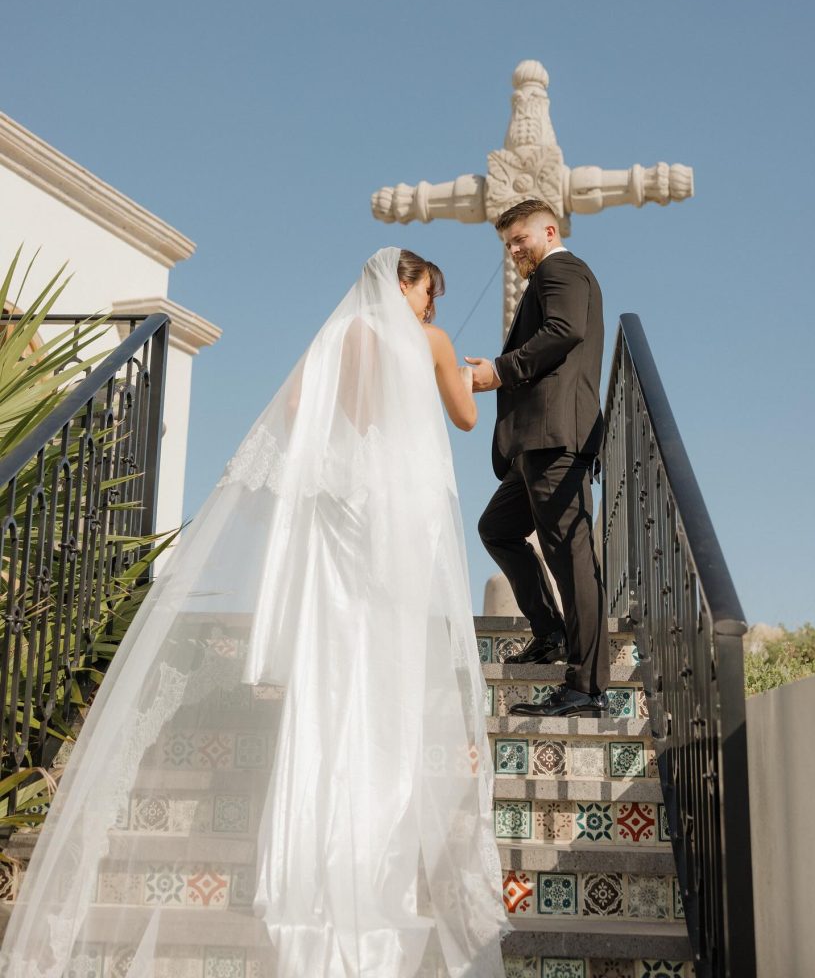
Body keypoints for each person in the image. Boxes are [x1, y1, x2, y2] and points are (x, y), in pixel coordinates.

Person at [0, 247, 508, 978]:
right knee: (382, 658)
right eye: (429, 292)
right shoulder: (425, 341)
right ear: (408, 285)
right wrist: (465, 375)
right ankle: (369, 846)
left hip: (337, 500)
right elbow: (461, 418)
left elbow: (299, 409)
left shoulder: (333, 338)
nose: (430, 306)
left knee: (332, 659)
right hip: (394, 511)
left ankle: (300, 849)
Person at [466, 199, 609, 717]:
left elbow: (565, 330)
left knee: (570, 557)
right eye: (508, 244)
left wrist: (498, 371)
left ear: (549, 230)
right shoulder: (546, 276)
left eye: (520, 238)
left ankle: (586, 688)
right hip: (533, 443)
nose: (514, 250)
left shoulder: (562, 269)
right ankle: (549, 632)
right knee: (497, 528)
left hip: (555, 436)